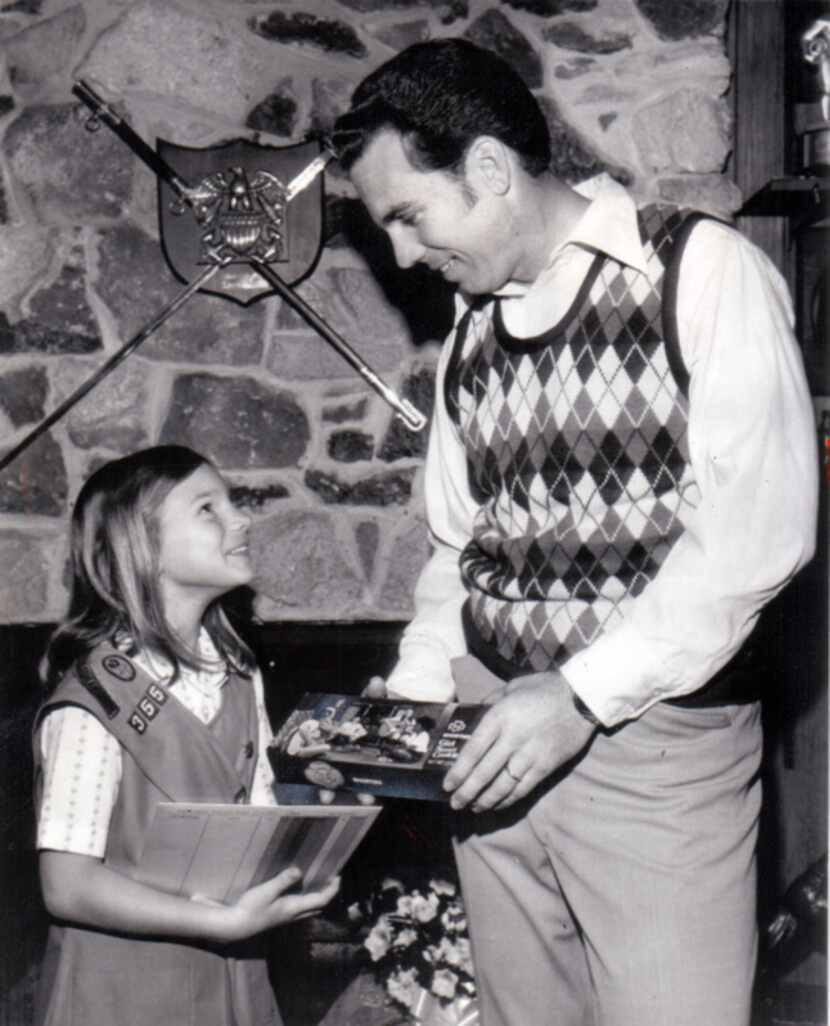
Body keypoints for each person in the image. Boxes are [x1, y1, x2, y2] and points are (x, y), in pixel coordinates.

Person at [332, 38, 819, 1026]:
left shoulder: (696, 269)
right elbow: (457, 549)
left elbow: (756, 533)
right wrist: (419, 693)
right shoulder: (470, 336)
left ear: (486, 170)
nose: (402, 256)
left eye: (407, 217)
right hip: (487, 743)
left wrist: (578, 695)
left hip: (650, 750)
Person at [32, 445, 340, 1026]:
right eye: (208, 509)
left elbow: (256, 817)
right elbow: (66, 886)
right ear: (141, 548)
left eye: (232, 504)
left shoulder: (238, 672)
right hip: (121, 996)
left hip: (233, 981)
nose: (241, 520)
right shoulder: (93, 695)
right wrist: (220, 922)